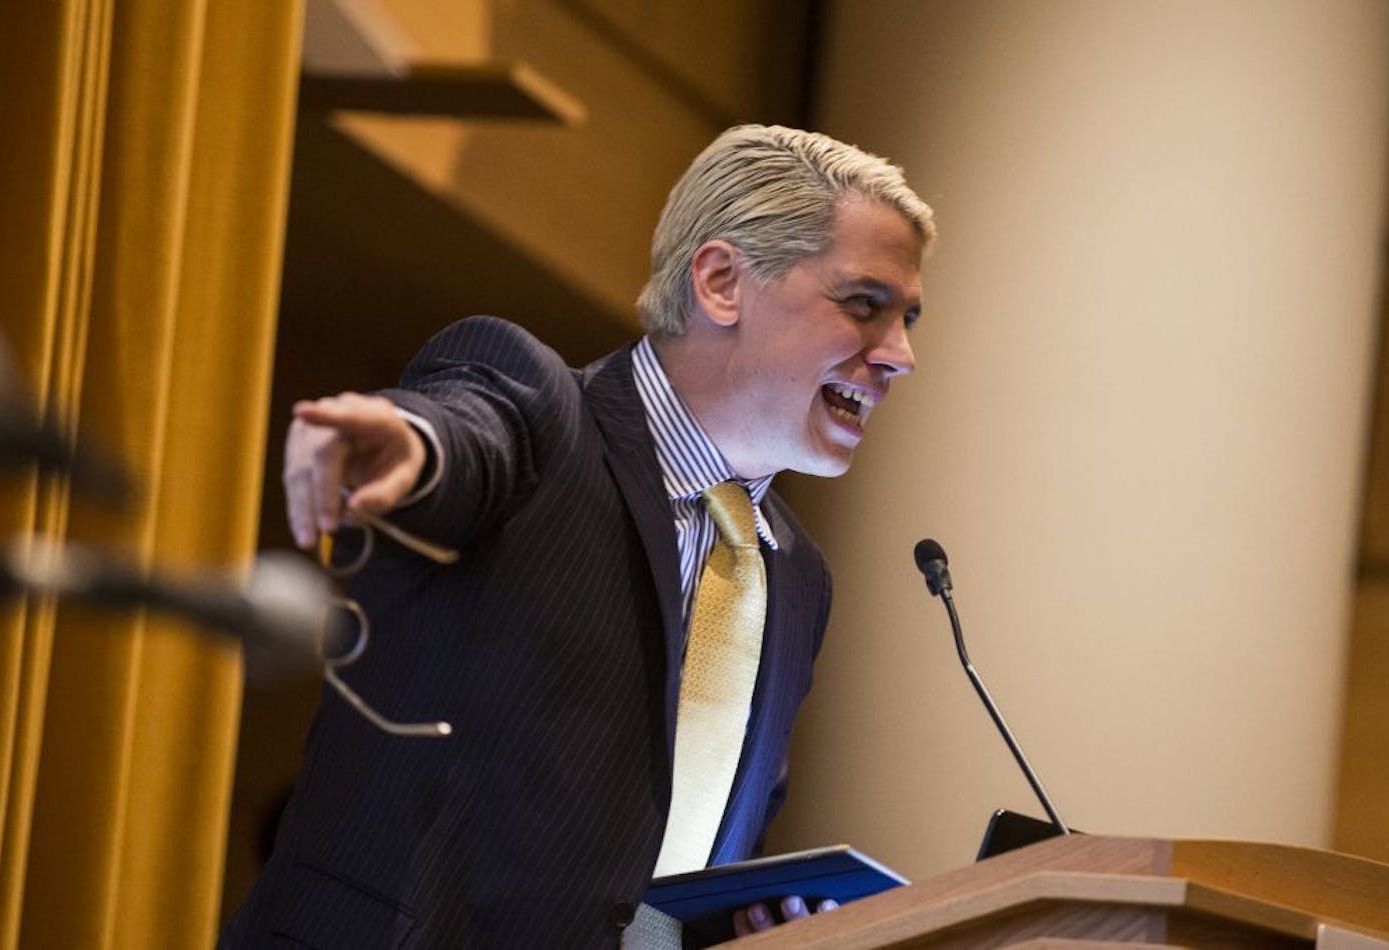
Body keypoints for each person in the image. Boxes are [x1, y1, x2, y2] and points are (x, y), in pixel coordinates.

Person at [222, 124, 933, 948]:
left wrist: (750, 923)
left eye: (908, 318)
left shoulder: (798, 577)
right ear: (721, 282)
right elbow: (466, 433)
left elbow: (667, 866)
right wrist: (412, 448)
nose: (902, 357)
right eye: (864, 305)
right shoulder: (540, 412)